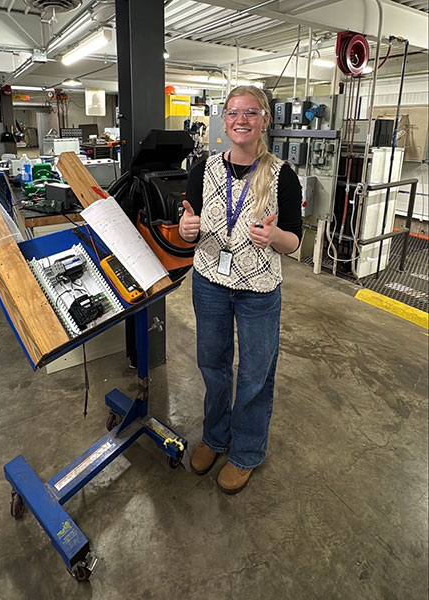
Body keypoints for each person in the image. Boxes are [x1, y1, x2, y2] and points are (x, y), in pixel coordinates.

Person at [179, 85, 302, 494]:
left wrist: (276, 237)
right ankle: (215, 437)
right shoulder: (203, 169)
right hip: (210, 282)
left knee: (254, 374)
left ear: (265, 120)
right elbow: (189, 225)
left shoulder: (282, 175)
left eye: (251, 113)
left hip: (259, 289)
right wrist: (185, 230)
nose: (241, 120)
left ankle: (246, 451)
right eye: (233, 112)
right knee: (213, 365)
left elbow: (295, 242)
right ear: (223, 119)